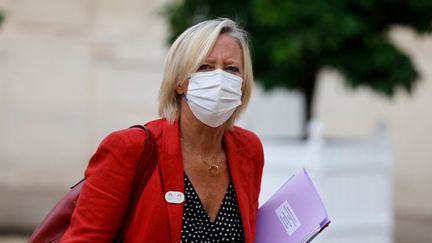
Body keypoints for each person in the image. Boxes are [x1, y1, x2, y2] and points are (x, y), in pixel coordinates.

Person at [61, 17, 264, 243]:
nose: (219, 78)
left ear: (244, 82)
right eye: (205, 67)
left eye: (231, 69)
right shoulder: (129, 148)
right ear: (180, 82)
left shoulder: (248, 150)